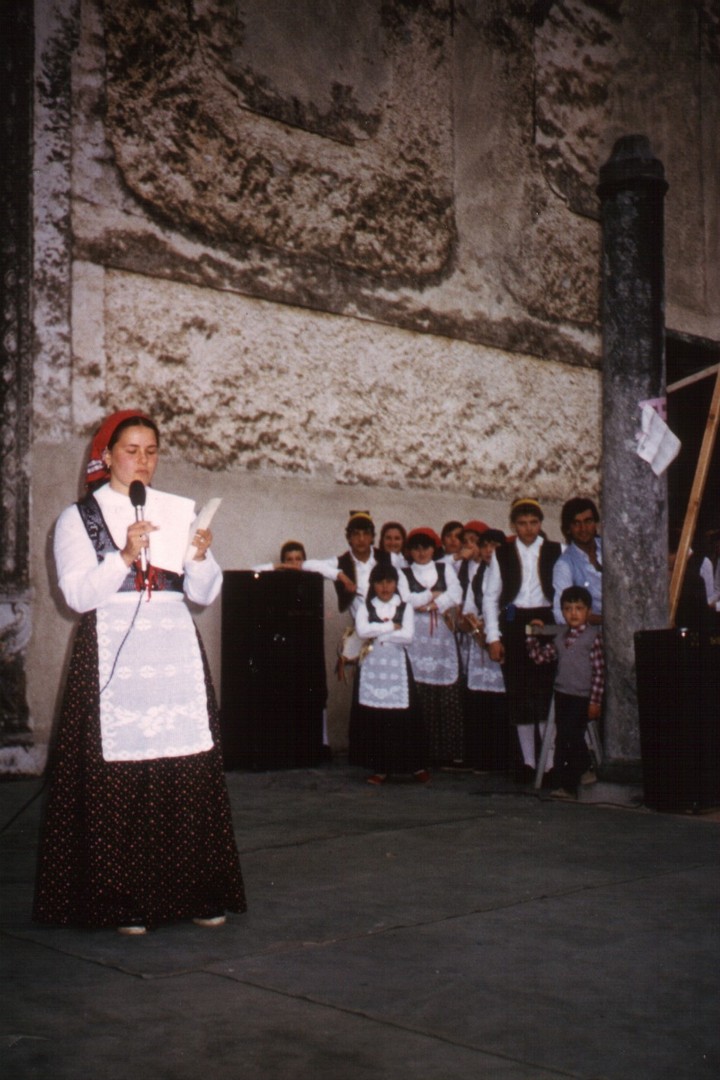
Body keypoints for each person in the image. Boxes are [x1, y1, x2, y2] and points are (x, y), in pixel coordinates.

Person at [33, 410, 246, 934]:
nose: (143, 461)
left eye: (151, 451)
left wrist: (200, 557)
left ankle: (196, 891)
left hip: (173, 649)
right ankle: (119, 899)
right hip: (113, 652)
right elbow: (77, 595)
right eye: (132, 451)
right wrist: (125, 555)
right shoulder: (77, 518)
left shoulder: (174, 511)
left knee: (187, 765)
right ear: (107, 456)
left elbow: (202, 594)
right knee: (118, 775)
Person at [483, 498, 562, 782]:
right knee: (519, 693)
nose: (528, 529)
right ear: (513, 525)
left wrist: (559, 628)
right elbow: (491, 597)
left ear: (540, 523)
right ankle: (528, 762)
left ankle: (549, 764)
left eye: (533, 523)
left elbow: (562, 592)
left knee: (544, 692)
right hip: (514, 621)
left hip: (545, 619)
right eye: (522, 523)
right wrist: (494, 637)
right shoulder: (502, 553)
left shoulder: (556, 550)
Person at [352, 564, 429, 785]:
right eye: (379, 582)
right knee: (376, 716)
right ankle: (381, 768)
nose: (385, 587)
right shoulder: (365, 607)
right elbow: (362, 631)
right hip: (372, 667)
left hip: (397, 667)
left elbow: (408, 636)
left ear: (396, 584)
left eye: (389, 582)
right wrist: (391, 627)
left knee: (405, 716)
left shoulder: (405, 607)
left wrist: (378, 631)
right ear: (373, 585)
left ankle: (415, 766)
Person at [527, 586, 605, 800]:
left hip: (583, 697)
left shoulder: (593, 637)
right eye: (568, 609)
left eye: (579, 608)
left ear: (588, 611)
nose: (573, 613)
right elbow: (540, 658)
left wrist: (595, 701)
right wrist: (532, 635)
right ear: (562, 612)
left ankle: (580, 772)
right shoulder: (560, 638)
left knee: (572, 736)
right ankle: (569, 782)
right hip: (562, 694)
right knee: (562, 739)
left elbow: (599, 672)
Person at [403, 527, 464, 767]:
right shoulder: (404, 573)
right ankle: (421, 752)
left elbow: (456, 593)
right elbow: (406, 599)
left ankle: (448, 754)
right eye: (416, 548)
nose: (421, 553)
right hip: (416, 639)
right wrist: (433, 593)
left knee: (446, 694)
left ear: (433, 548)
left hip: (442, 636)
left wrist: (431, 605)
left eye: (426, 547)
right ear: (410, 551)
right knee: (419, 693)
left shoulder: (444, 568)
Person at [458, 528, 509, 772]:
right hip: (479, 642)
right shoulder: (478, 574)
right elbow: (468, 609)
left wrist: (493, 633)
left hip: (502, 640)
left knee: (502, 701)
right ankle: (481, 758)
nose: (489, 551)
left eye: (495, 546)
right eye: (485, 546)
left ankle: (504, 759)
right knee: (480, 702)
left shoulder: (510, 573)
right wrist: (476, 629)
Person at [553, 498, 603, 625]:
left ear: (596, 524)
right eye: (576, 523)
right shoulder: (564, 565)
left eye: (588, 521)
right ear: (568, 529)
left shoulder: (611, 549)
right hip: (592, 632)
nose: (583, 528)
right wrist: (605, 621)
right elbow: (560, 614)